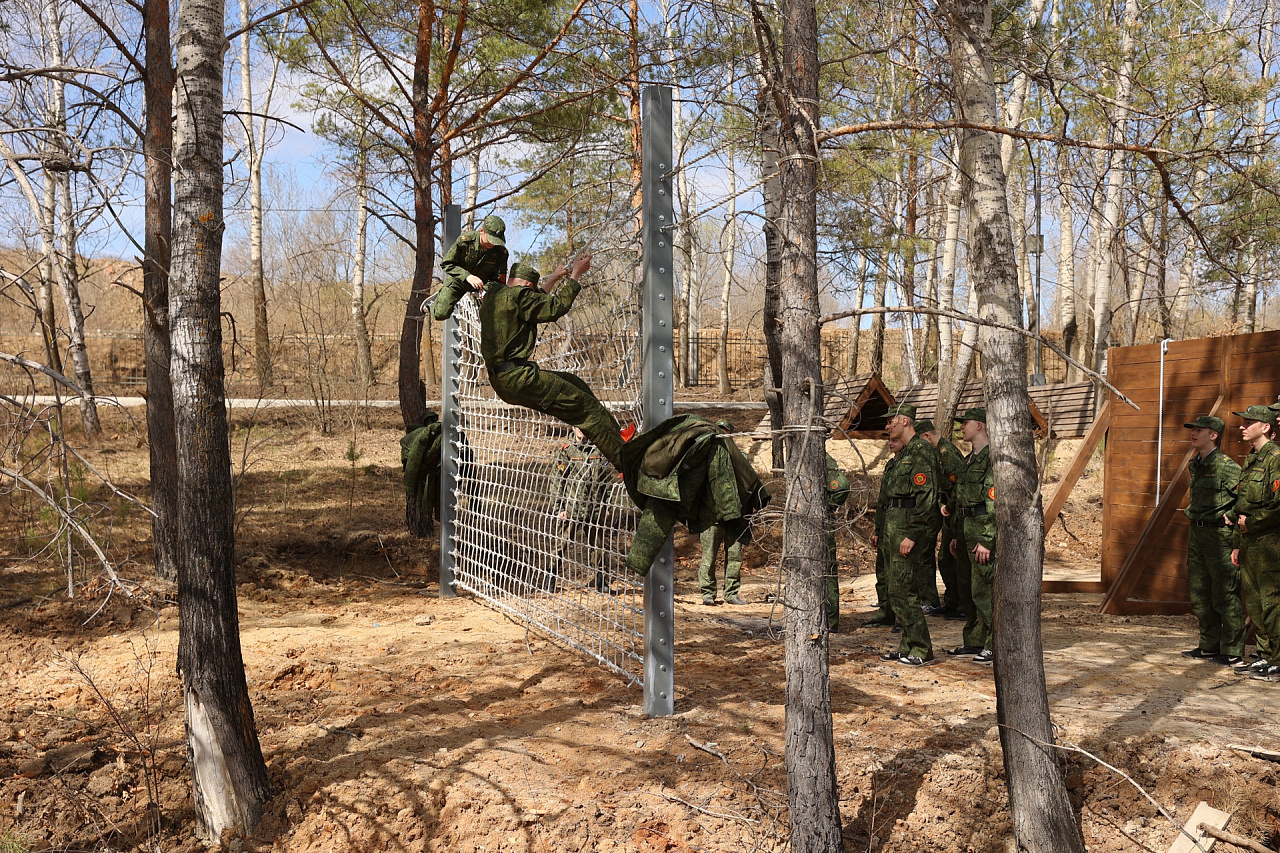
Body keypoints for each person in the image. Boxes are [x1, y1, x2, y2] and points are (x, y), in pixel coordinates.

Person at [479, 256, 625, 469]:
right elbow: (555, 306)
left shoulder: (496, 296)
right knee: (586, 409)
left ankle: (616, 434)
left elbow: (533, 301)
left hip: (502, 380)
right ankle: (626, 461)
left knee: (573, 382)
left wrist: (555, 278)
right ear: (528, 286)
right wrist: (576, 275)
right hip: (519, 377)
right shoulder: (522, 298)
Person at [1180, 415, 1245, 667]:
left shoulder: (1227, 466)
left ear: (1214, 435)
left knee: (1224, 594)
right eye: (1192, 430)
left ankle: (1232, 651)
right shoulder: (1195, 464)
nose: (1193, 434)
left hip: (1220, 537)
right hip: (1197, 534)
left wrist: (1230, 516)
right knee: (1199, 593)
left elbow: (1246, 496)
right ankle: (1208, 646)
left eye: (1199, 430)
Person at [876, 403, 936, 666]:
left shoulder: (921, 451)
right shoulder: (902, 455)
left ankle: (922, 648)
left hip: (907, 528)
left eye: (891, 422)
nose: (888, 427)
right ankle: (907, 645)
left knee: (903, 589)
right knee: (895, 589)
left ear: (904, 421)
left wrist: (913, 534)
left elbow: (927, 498)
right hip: (893, 526)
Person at [1229, 405, 1280, 680]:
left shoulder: (1276, 458)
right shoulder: (1252, 459)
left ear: (1266, 427)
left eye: (1249, 422)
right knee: (1256, 604)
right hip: (1250, 544)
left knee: (1272, 603)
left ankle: (1278, 659)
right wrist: (1238, 543)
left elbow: (1278, 506)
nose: (1242, 426)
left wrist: (1252, 523)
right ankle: (1264, 654)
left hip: (1270, 545)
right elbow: (1242, 506)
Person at [946, 407, 995, 664]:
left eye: (965, 423)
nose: (961, 427)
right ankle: (974, 640)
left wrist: (987, 540)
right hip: (965, 531)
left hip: (981, 532)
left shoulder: (991, 459)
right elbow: (961, 500)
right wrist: (955, 534)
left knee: (983, 591)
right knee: (967, 591)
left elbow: (993, 504)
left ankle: (993, 643)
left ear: (979, 425)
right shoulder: (969, 460)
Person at [553, 428, 619, 595]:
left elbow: (606, 481)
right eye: (578, 427)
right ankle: (550, 578)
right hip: (571, 508)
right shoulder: (567, 450)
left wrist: (606, 505)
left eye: (584, 427)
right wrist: (559, 508)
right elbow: (557, 481)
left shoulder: (599, 450)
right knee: (560, 545)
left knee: (597, 547)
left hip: (593, 509)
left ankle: (601, 581)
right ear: (573, 428)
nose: (581, 431)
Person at [915, 419, 965, 618]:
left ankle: (960, 605)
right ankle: (953, 602)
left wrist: (948, 506)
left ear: (927, 436)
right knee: (945, 559)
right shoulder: (938, 452)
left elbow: (959, 485)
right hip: (949, 510)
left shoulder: (946, 453)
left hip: (955, 511)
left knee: (952, 559)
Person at [432, 214, 510, 321]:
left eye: (496, 240)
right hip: (458, 282)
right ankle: (435, 302)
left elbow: (499, 281)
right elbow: (447, 264)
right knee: (440, 314)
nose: (493, 243)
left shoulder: (501, 253)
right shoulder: (465, 241)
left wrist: (486, 290)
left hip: (482, 287)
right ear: (482, 231)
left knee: (492, 320)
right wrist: (467, 276)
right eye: (491, 239)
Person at [863, 433, 903, 629]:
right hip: (887, 524)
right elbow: (883, 501)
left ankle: (902, 618)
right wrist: (877, 529)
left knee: (898, 574)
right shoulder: (891, 464)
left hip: (900, 526)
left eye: (895, 440)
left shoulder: (909, 462)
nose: (890, 443)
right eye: (889, 440)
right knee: (882, 572)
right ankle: (885, 613)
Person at [826, 452, 852, 633]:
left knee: (825, 570)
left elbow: (841, 486)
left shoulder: (820, 456)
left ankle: (829, 619)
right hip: (801, 524)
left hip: (820, 524)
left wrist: (826, 506)